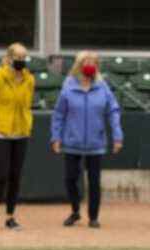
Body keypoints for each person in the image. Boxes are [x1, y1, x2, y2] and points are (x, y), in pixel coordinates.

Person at [50, 50, 123, 228]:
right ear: (79, 65)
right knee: (70, 179)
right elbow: (59, 113)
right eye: (86, 62)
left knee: (94, 181)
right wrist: (56, 137)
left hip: (95, 143)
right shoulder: (69, 85)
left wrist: (117, 135)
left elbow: (113, 111)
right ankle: (75, 211)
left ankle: (93, 216)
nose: (90, 65)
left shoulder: (102, 86)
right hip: (72, 141)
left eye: (93, 62)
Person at [0, 42, 36, 231]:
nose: (21, 61)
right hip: (1, 132)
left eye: (23, 57)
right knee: (1, 175)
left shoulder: (29, 79)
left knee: (16, 176)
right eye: (17, 57)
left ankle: (11, 216)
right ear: (9, 58)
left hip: (21, 132)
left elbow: (27, 103)